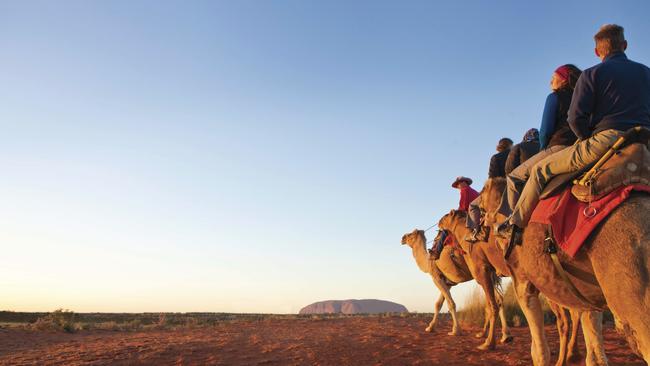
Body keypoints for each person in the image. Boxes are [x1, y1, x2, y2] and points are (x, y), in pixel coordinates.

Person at [497, 24, 650, 244]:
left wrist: (587, 138)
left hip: (608, 139)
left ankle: (515, 226)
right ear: (624, 45)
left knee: (539, 170)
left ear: (597, 52)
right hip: (645, 140)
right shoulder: (646, 73)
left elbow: (575, 118)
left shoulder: (593, 74)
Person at [499, 65, 582, 216]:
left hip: (558, 146)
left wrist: (543, 149)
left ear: (563, 80)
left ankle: (513, 225)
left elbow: (545, 131)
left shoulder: (554, 97)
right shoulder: (582, 97)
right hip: (580, 147)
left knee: (513, 179)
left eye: (553, 78)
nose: (550, 82)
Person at [464, 138, 513, 242]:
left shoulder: (495, 157)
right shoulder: (514, 154)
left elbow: (491, 179)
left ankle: (478, 232)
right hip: (515, 187)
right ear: (510, 145)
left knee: (472, 206)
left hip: (499, 190)